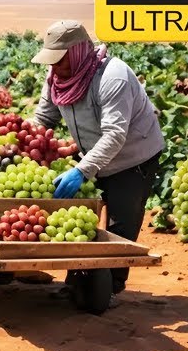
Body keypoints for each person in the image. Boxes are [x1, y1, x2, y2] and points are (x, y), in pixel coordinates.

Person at [29, 19, 164, 295]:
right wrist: (25, 138)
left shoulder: (113, 77)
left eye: (60, 61)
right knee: (81, 217)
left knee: (119, 225)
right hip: (91, 153)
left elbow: (115, 135)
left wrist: (81, 170)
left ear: (77, 54)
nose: (54, 68)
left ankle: (110, 287)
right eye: (51, 61)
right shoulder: (56, 76)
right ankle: (78, 279)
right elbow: (44, 116)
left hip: (133, 158)